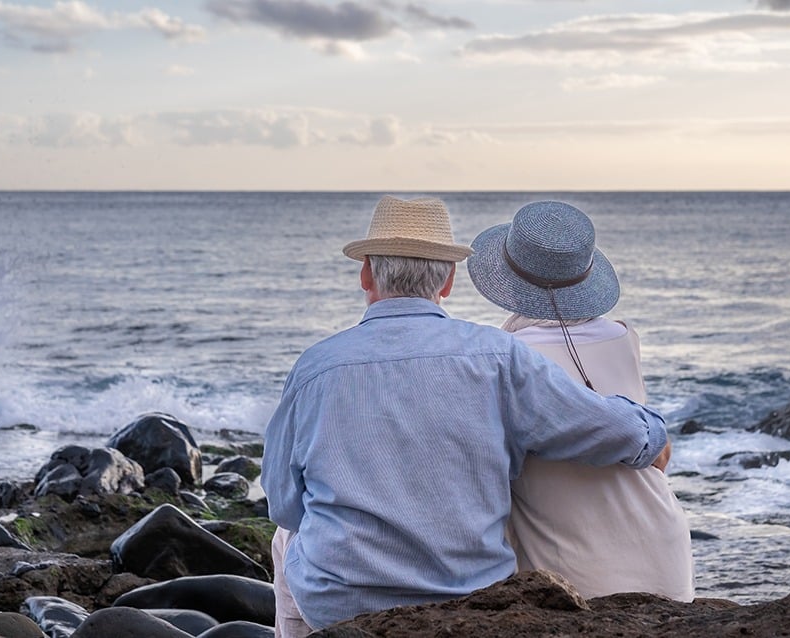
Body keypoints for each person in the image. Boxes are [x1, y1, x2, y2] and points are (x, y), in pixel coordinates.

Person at [260, 195, 670, 636]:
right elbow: (608, 428)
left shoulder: (315, 366)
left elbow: (283, 501)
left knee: (285, 541)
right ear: (449, 280)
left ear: (366, 274)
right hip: (469, 600)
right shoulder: (497, 356)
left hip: (343, 604)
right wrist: (651, 432)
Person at [466, 200, 694, 601]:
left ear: (509, 278)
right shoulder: (624, 337)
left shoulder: (504, 359)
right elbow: (660, 451)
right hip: (663, 545)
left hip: (577, 566)